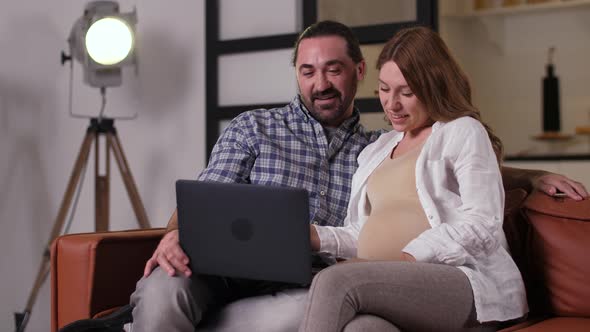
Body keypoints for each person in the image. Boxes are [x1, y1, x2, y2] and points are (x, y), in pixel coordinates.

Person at [128, 21, 586, 332]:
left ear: (356, 72)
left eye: (333, 69)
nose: (320, 82)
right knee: (166, 290)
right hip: (233, 271)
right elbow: (209, 196)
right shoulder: (372, 146)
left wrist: (533, 175)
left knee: (342, 302)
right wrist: (178, 234)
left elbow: (471, 186)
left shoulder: (413, 139)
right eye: (307, 71)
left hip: (340, 281)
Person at [299, 26, 530, 332]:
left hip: (461, 282)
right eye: (384, 89)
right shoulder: (376, 150)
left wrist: (406, 258)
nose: (391, 104)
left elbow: (482, 222)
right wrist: (314, 236)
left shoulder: (460, 131)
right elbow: (362, 233)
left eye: (406, 92)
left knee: (332, 281)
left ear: (434, 87)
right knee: (363, 330)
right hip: (395, 286)